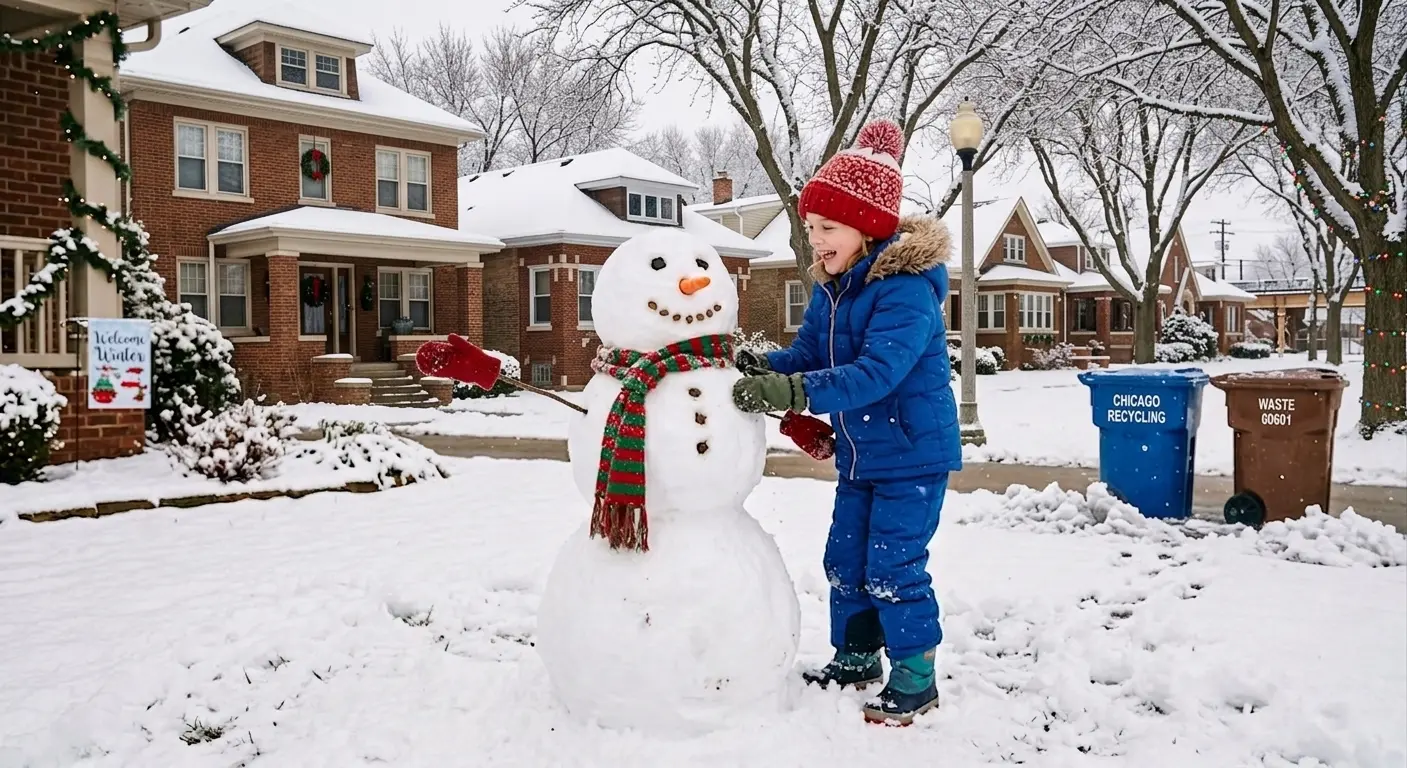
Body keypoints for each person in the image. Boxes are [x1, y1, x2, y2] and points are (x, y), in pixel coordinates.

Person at [731, 119, 960, 725]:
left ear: (869, 226)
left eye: (827, 228)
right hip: (863, 455)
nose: (817, 242)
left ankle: (917, 675)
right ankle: (858, 656)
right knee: (845, 558)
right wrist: (762, 365)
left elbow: (874, 373)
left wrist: (795, 391)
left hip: (913, 455)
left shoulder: (906, 290)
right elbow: (810, 354)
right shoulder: (834, 291)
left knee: (892, 563)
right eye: (811, 230)